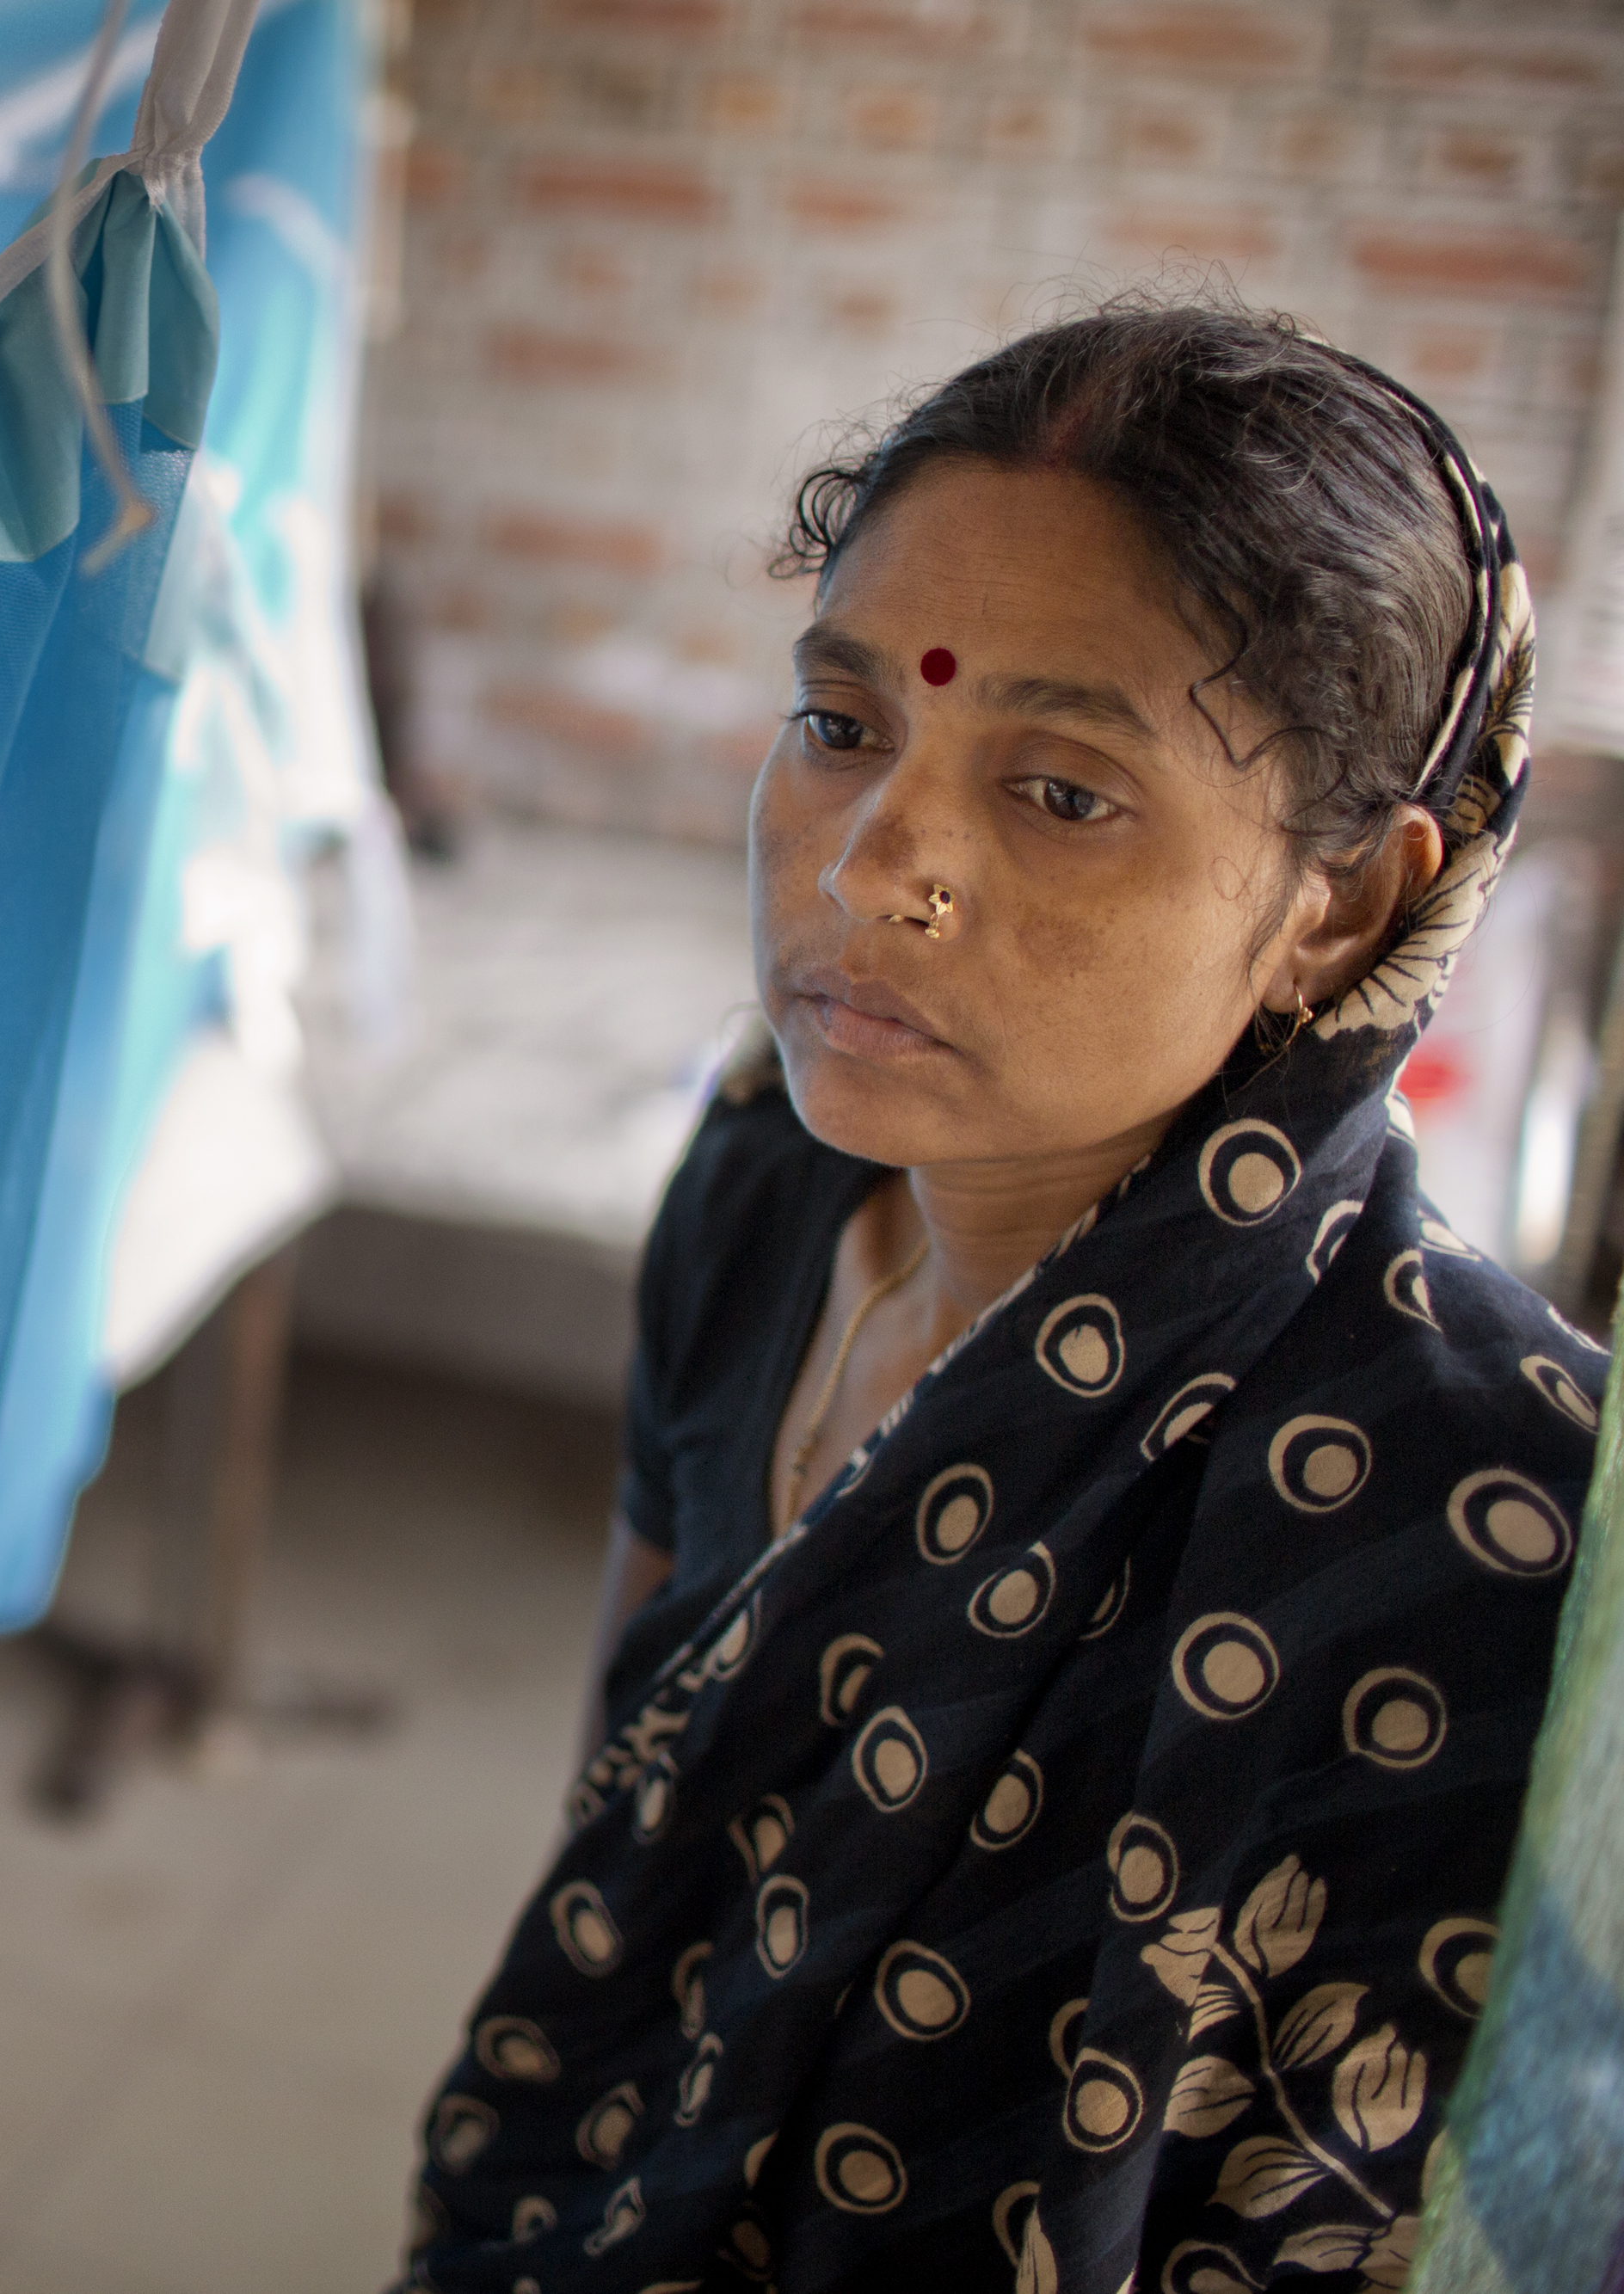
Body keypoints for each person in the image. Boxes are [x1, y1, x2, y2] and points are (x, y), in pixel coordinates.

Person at [402, 304, 1601, 2292]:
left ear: (1344, 903)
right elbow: (641, 1769)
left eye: (1059, 789)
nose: (871, 868)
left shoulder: (1483, 1528)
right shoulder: (763, 1189)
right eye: (843, 720)